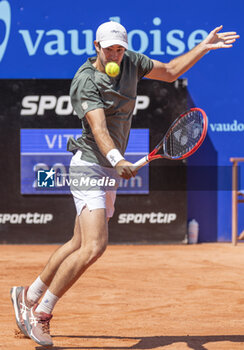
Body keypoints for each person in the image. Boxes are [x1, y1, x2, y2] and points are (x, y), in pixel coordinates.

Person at [10, 21, 239, 347]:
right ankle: (42, 313)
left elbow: (172, 70)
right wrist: (118, 159)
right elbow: (99, 129)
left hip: (109, 169)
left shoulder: (132, 61)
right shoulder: (85, 81)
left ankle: (28, 295)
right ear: (96, 47)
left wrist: (203, 45)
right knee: (94, 246)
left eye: (119, 48)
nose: (115, 54)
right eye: (109, 48)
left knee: (77, 242)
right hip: (90, 165)